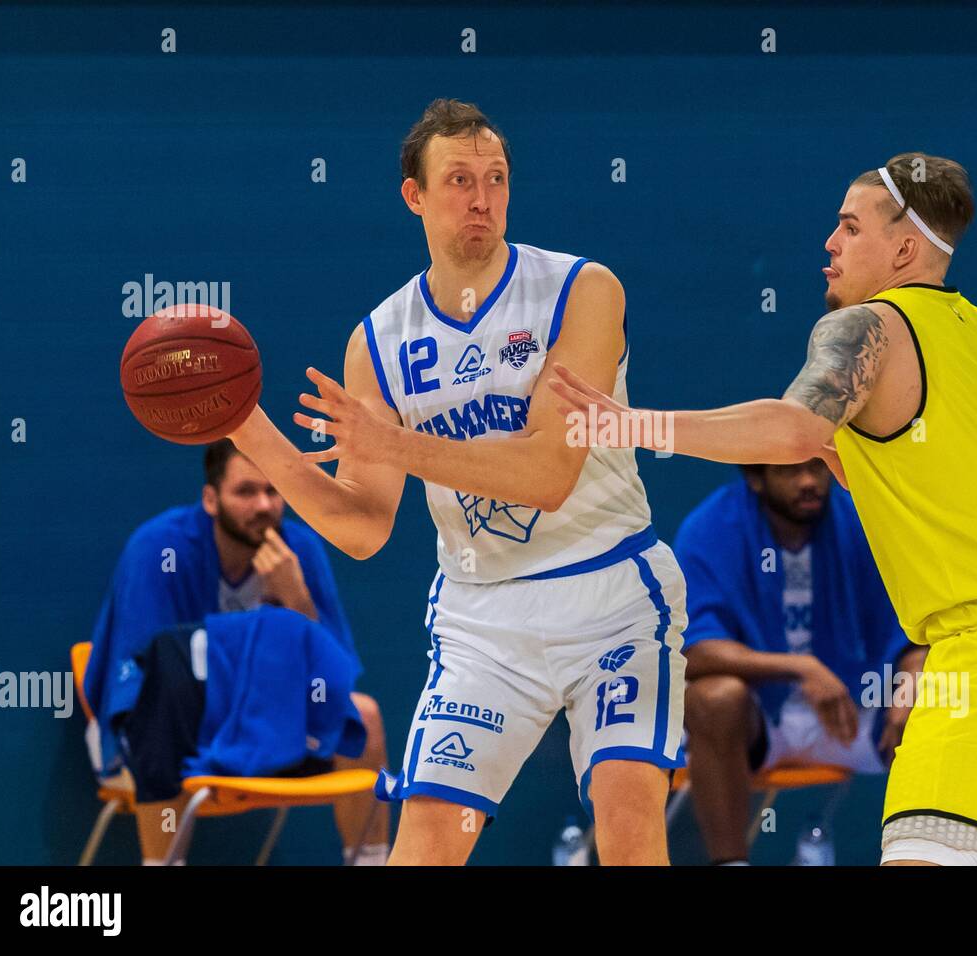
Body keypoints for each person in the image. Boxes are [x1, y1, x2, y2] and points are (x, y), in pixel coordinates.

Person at [551, 152, 977, 866]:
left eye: (851, 227)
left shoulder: (868, 326)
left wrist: (632, 424)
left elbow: (794, 430)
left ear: (905, 248)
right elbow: (960, 477)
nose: (830, 242)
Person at [228, 98, 687, 866]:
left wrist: (394, 442)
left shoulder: (582, 290)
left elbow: (546, 472)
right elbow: (365, 527)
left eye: (497, 178)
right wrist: (243, 424)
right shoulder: (377, 340)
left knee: (628, 823)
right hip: (484, 617)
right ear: (414, 194)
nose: (482, 198)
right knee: (429, 845)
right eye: (459, 180)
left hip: (610, 594)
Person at [85, 439, 390, 865]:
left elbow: (332, 679)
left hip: (265, 720)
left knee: (366, 717)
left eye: (273, 490)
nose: (263, 505)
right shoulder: (159, 549)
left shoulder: (299, 551)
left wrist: (298, 603)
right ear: (211, 499)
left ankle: (371, 861)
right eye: (245, 492)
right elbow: (147, 673)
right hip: (174, 721)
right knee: (156, 717)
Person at [675, 459, 915, 865]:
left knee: (940, 701)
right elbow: (694, 650)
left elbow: (918, 630)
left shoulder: (865, 520)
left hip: (856, 712)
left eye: (816, 469)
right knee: (712, 699)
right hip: (763, 718)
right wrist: (799, 667)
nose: (808, 482)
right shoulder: (710, 528)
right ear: (755, 478)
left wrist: (913, 682)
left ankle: (951, 853)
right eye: (789, 472)